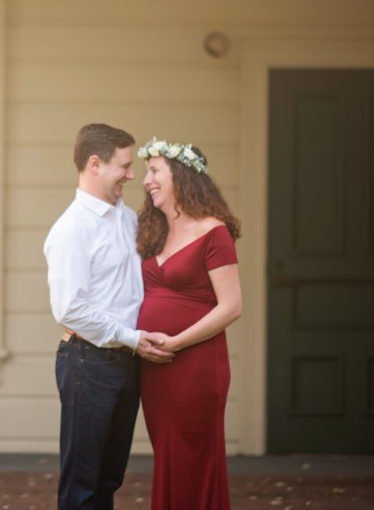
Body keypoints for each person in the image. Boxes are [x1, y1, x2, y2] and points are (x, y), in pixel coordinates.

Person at [44, 123, 174, 510]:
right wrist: (133, 337)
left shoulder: (125, 218)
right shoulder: (72, 229)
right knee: (82, 483)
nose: (133, 175)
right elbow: (70, 308)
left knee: (109, 478)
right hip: (89, 362)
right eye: (125, 165)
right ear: (95, 164)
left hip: (126, 362)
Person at [135, 138, 243, 510]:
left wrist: (176, 342)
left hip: (195, 365)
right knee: (167, 453)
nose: (146, 180)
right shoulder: (154, 231)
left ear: (180, 176)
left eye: (154, 171)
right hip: (155, 366)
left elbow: (231, 307)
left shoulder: (215, 232)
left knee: (192, 456)